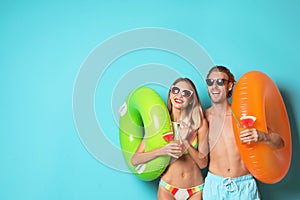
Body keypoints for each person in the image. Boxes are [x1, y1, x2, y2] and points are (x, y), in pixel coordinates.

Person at [203, 66, 284, 200]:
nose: (214, 86)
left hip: (244, 185)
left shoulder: (243, 117)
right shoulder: (203, 118)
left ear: (229, 85)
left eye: (220, 82)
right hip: (214, 185)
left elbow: (280, 143)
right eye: (210, 82)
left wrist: (262, 136)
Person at [131, 77, 209, 200]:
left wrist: (186, 142)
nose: (179, 95)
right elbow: (135, 160)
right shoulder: (160, 126)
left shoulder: (199, 124)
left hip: (195, 189)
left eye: (186, 93)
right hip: (168, 188)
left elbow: (203, 163)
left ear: (191, 100)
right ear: (170, 95)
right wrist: (162, 150)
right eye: (175, 90)